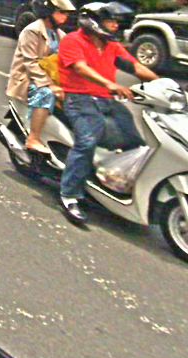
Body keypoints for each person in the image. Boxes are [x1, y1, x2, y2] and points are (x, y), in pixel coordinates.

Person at [57, 2, 159, 224]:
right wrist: (109, 84)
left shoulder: (111, 45)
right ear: (93, 22)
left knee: (136, 141)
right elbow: (80, 67)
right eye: (110, 21)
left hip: (107, 100)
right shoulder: (73, 40)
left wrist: (163, 85)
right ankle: (69, 194)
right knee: (87, 142)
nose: (115, 26)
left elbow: (135, 67)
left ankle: (113, 184)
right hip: (79, 99)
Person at [5, 0, 76, 154]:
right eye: (61, 12)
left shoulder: (60, 35)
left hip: (51, 77)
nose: (65, 17)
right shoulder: (32, 31)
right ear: (48, 12)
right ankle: (33, 138)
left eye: (66, 13)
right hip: (28, 78)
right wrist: (50, 85)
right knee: (45, 94)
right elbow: (30, 63)